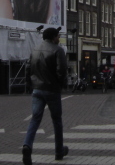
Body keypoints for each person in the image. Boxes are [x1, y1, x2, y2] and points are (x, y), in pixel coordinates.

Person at [22, 27, 68, 165]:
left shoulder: (35, 49)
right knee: (57, 121)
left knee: (35, 119)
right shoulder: (58, 50)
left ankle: (27, 145)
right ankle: (58, 151)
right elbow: (62, 70)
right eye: (58, 36)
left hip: (37, 89)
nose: (59, 38)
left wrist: (30, 85)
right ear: (53, 37)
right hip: (52, 89)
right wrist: (60, 85)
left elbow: (28, 68)